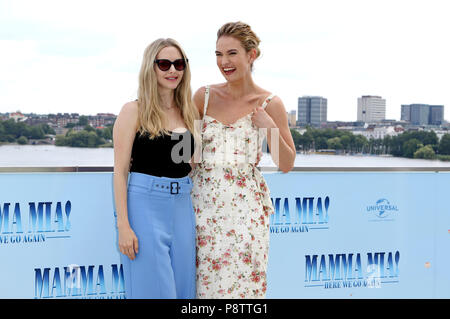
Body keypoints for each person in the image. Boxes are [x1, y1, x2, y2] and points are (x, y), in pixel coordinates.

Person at [190, 22, 296, 298]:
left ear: (252, 55)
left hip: (246, 215)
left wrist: (269, 126)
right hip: (202, 210)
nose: (223, 62)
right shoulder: (203, 96)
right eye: (218, 54)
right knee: (202, 289)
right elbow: (183, 156)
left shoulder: (270, 103)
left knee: (243, 290)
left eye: (232, 53)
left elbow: (287, 163)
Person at [113, 38, 199, 299]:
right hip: (145, 204)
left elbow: (190, 164)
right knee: (156, 292)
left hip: (183, 205)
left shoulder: (188, 112)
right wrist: (124, 226)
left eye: (179, 64)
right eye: (164, 64)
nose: (173, 70)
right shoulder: (133, 111)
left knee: (185, 292)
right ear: (151, 68)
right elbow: (120, 172)